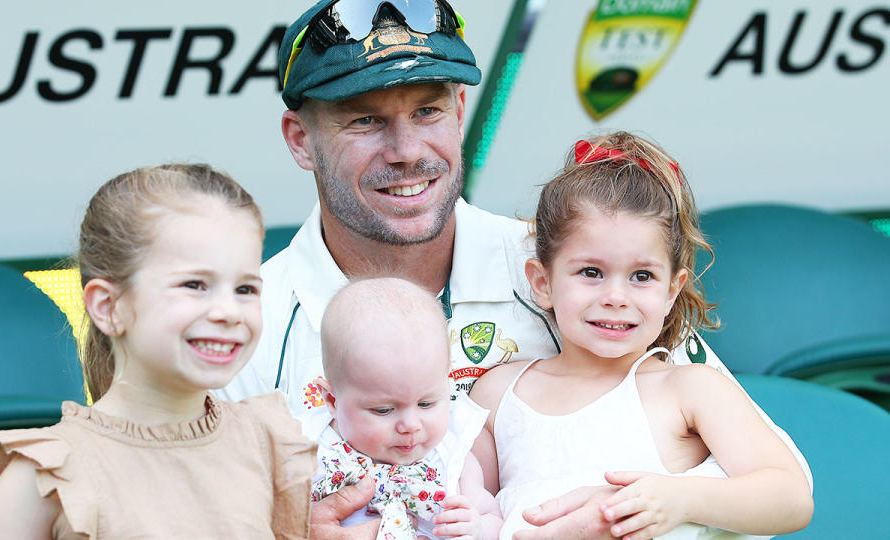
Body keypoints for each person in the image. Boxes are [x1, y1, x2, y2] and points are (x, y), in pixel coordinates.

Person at [219, 1, 811, 538]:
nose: (405, 151)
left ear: (458, 111)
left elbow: (778, 485)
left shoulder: (577, 266)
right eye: (364, 120)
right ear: (300, 140)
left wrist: (624, 507)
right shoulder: (244, 323)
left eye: (426, 111)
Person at [469, 133, 814, 539]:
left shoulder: (689, 388)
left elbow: (790, 498)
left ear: (672, 290)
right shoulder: (497, 394)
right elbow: (468, 505)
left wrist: (680, 498)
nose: (616, 297)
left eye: (642, 276)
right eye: (591, 272)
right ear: (542, 282)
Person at [0, 164, 316, 539]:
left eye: (246, 289)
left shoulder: (268, 442)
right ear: (108, 306)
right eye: (194, 284)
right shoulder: (41, 477)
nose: (229, 312)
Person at [307, 277, 502, 539]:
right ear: (332, 400)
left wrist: (478, 528)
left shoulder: (451, 457)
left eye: (426, 403)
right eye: (384, 410)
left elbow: (494, 517)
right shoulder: (306, 453)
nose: (410, 425)